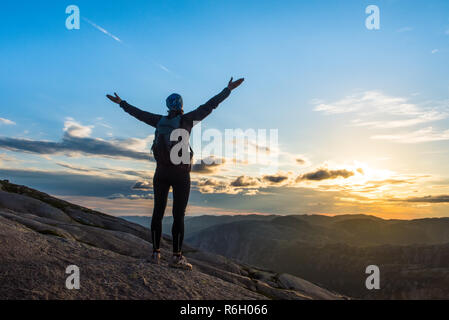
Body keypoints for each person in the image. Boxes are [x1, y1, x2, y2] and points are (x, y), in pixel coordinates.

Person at [106, 77, 244, 270]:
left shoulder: (158, 121)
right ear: (181, 105)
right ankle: (177, 257)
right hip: (180, 175)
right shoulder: (187, 120)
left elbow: (138, 114)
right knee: (178, 215)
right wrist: (228, 89)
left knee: (157, 213)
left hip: (161, 173)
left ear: (167, 106)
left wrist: (122, 103)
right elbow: (210, 105)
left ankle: (155, 254)